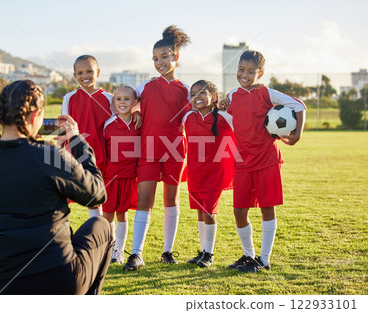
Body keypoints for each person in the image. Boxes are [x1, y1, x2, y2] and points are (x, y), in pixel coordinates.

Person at [0, 80, 113, 294]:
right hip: (60, 278)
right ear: (35, 116)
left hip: (3, 284)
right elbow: (97, 193)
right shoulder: (50, 157)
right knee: (101, 225)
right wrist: (76, 140)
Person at [220, 50, 306, 272]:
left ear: (260, 74)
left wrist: (297, 134)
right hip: (242, 160)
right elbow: (228, 112)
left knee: (267, 208)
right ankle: (248, 255)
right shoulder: (233, 94)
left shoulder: (267, 94)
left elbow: (299, 105)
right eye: (241, 70)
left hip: (266, 159)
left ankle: (264, 259)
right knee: (239, 210)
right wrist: (222, 104)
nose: (245, 75)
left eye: (251, 71)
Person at [123, 25, 191, 270]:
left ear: (176, 57)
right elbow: (124, 103)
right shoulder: (145, 87)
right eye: (155, 59)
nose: (159, 62)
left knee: (171, 200)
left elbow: (197, 114)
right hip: (149, 149)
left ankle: (168, 251)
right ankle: (136, 254)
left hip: (175, 149)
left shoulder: (186, 91)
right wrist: (136, 112)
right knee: (144, 200)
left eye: (164, 57)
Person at [61, 55, 141, 218]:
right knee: (64, 199)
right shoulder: (69, 98)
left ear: (97, 72)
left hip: (101, 158)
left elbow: (122, 115)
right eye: (80, 72)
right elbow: (64, 128)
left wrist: (136, 111)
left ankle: (100, 239)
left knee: (97, 201)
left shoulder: (109, 98)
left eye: (89, 71)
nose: (85, 76)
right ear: (75, 75)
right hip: (75, 156)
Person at [182, 80, 236, 267]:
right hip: (195, 171)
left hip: (215, 172)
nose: (197, 97)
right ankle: (203, 250)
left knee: (209, 211)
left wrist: (228, 102)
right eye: (193, 93)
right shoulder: (188, 117)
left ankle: (209, 253)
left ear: (213, 97)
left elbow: (242, 123)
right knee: (199, 211)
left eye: (202, 93)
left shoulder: (224, 116)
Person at [102, 86, 141, 264]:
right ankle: (108, 248)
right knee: (108, 213)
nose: (123, 102)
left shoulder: (139, 122)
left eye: (127, 99)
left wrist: (138, 114)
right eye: (119, 99)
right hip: (110, 176)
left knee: (122, 213)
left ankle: (119, 251)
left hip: (129, 176)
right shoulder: (108, 124)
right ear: (114, 102)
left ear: (135, 102)